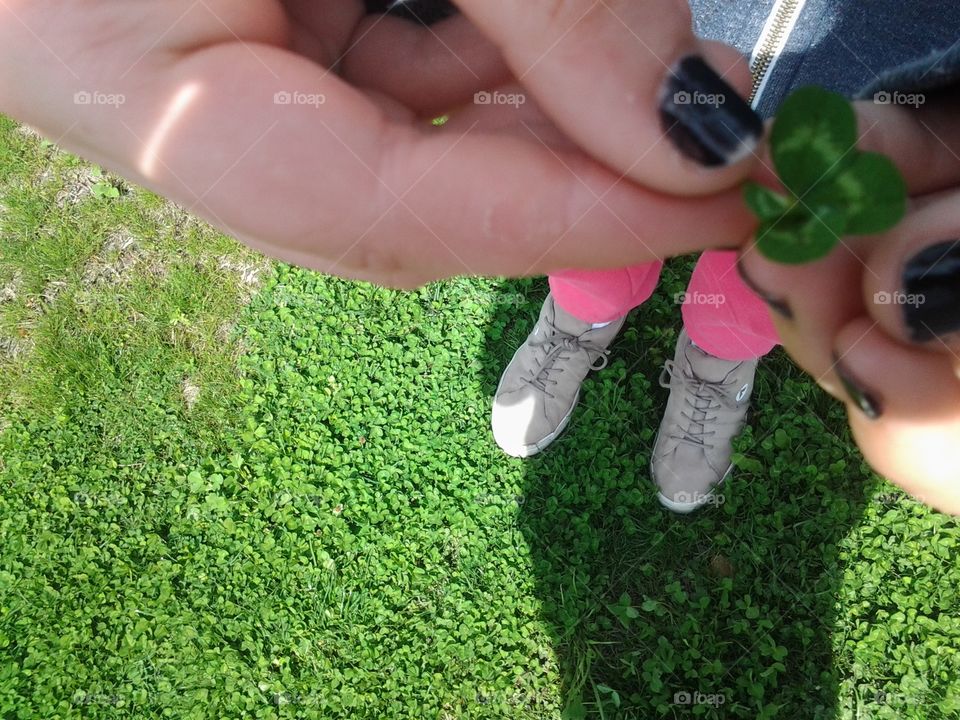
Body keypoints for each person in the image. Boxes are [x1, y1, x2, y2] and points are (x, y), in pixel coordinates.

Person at [1, 0, 959, 513]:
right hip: (652, 39)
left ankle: (714, 365)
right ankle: (580, 322)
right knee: (602, 209)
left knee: (776, 271)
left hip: (885, 67)